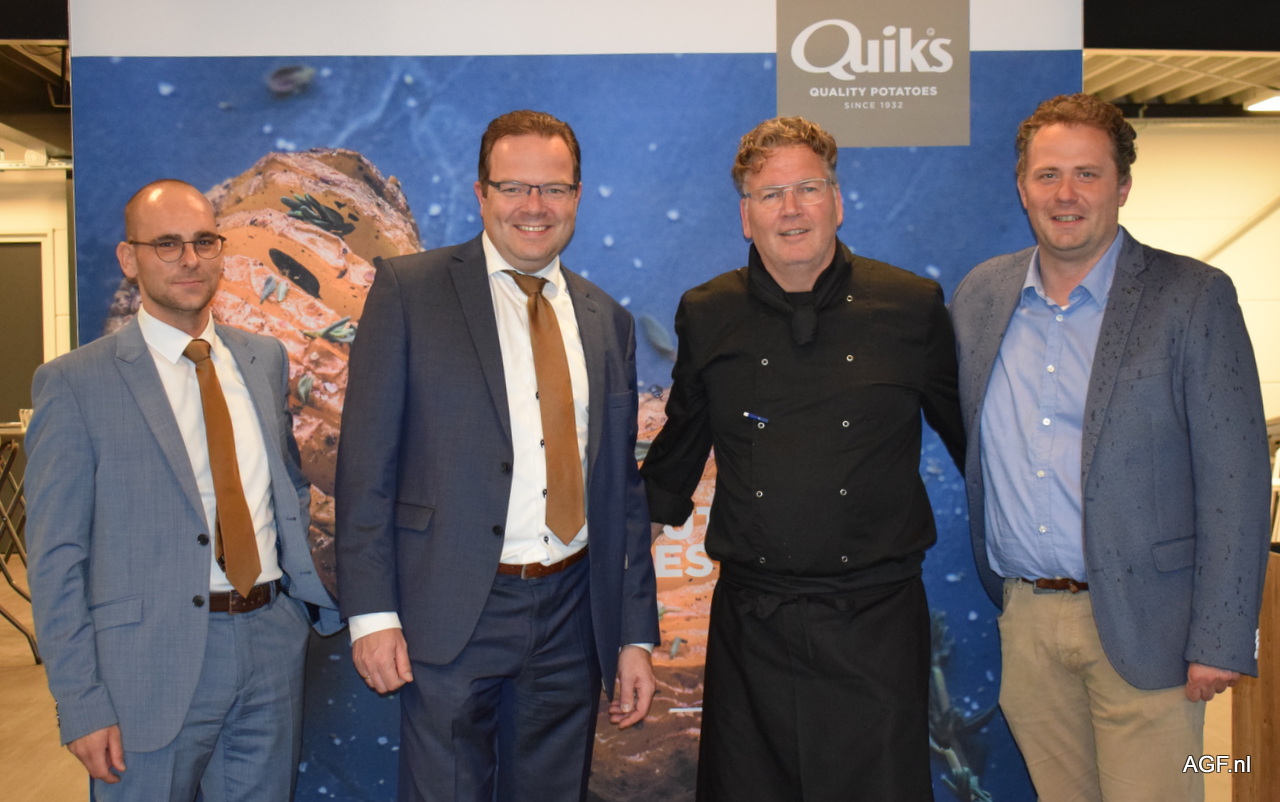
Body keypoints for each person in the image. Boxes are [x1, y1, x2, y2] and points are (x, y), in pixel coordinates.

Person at [950, 93, 1270, 802]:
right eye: (1048, 174)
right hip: (1029, 622)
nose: (1065, 194)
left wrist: (1220, 635)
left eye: (1087, 174)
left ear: (1122, 186)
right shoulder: (981, 297)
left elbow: (1237, 477)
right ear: (1022, 186)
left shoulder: (1192, 297)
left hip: (1151, 624)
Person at [336, 109, 659, 801]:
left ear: (577, 197)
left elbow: (622, 496)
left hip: (573, 615)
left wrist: (635, 633)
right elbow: (365, 468)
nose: (534, 206)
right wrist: (372, 614)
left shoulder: (609, 321)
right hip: (449, 610)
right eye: (514, 187)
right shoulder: (410, 291)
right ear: (480, 193)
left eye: (554, 188)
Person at [640, 116, 964, 801]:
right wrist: (610, 584)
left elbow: (976, 447)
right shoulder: (708, 312)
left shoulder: (911, 306)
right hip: (754, 625)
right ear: (746, 216)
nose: (791, 209)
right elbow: (675, 460)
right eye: (770, 194)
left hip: (877, 622)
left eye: (808, 189)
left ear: (836, 202)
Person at [25, 179, 339, 800]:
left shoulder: (262, 359)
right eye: (166, 244)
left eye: (204, 242)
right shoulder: (75, 384)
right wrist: (80, 700)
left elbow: (285, 485)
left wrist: (292, 608)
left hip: (270, 644)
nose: (189, 259)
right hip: (147, 665)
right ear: (129, 257)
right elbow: (56, 558)